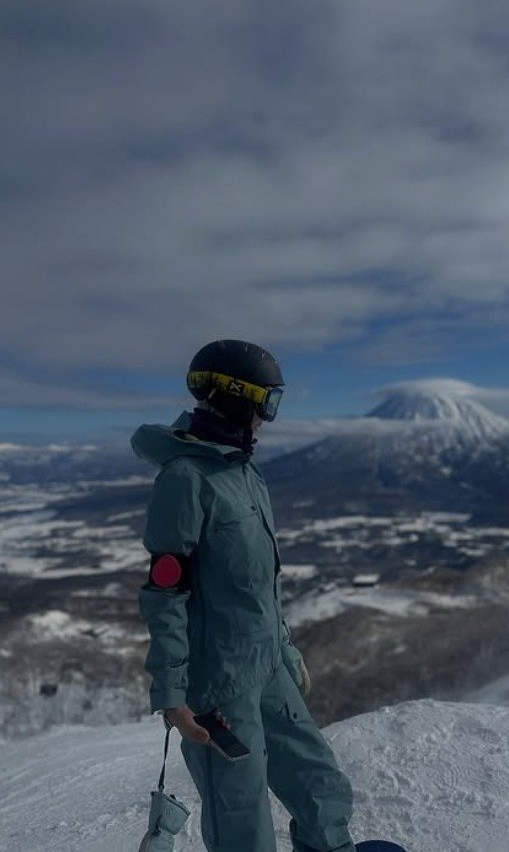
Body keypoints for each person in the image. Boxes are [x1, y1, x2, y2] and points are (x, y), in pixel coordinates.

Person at [130, 339, 356, 852]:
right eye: (266, 405)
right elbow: (166, 593)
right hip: (218, 688)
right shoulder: (185, 480)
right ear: (237, 397)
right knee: (242, 822)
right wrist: (172, 693)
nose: (267, 420)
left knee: (320, 785)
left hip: (267, 666)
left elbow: (258, 584)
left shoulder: (245, 475)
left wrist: (283, 644)